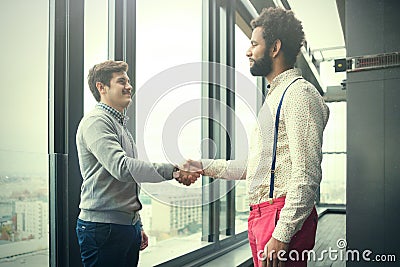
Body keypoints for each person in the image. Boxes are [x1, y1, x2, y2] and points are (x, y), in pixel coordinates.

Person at [183, 7, 329, 267]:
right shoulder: (275, 97)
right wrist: (202, 166)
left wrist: (282, 233)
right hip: (264, 216)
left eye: (254, 44)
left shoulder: (299, 95)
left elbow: (307, 174)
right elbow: (256, 169)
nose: (248, 51)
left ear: (275, 48)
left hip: (279, 216)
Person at [75, 60, 199, 267]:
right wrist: (174, 171)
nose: (129, 86)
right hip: (103, 229)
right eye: (121, 81)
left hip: (123, 227)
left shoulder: (119, 126)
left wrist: (136, 223)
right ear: (101, 87)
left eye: (129, 81)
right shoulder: (96, 122)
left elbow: (128, 181)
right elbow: (122, 168)